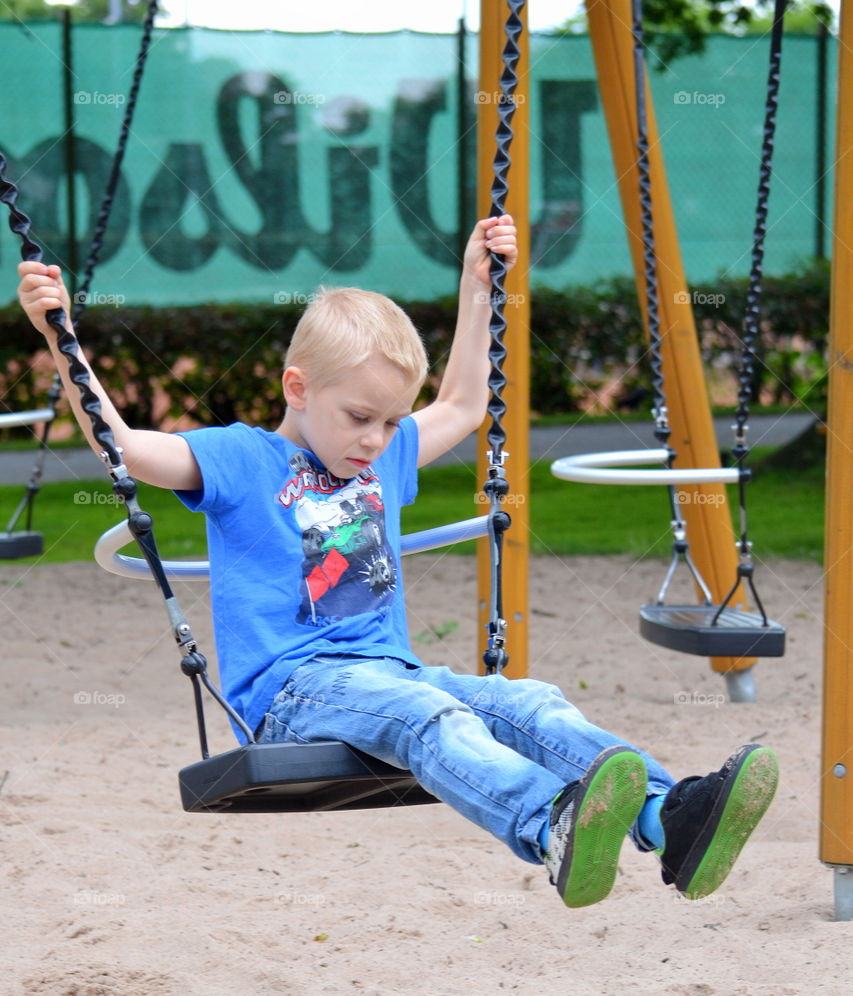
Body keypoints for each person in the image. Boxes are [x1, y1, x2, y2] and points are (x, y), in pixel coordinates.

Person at [17, 215, 779, 910]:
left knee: (531, 702)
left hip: (392, 674)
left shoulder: (379, 460)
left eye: (388, 422)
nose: (375, 440)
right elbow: (127, 447)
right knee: (430, 716)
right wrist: (61, 340)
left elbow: (461, 404)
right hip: (294, 693)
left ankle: (667, 815)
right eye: (358, 418)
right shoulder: (242, 459)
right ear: (298, 388)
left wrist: (478, 288)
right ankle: (550, 824)